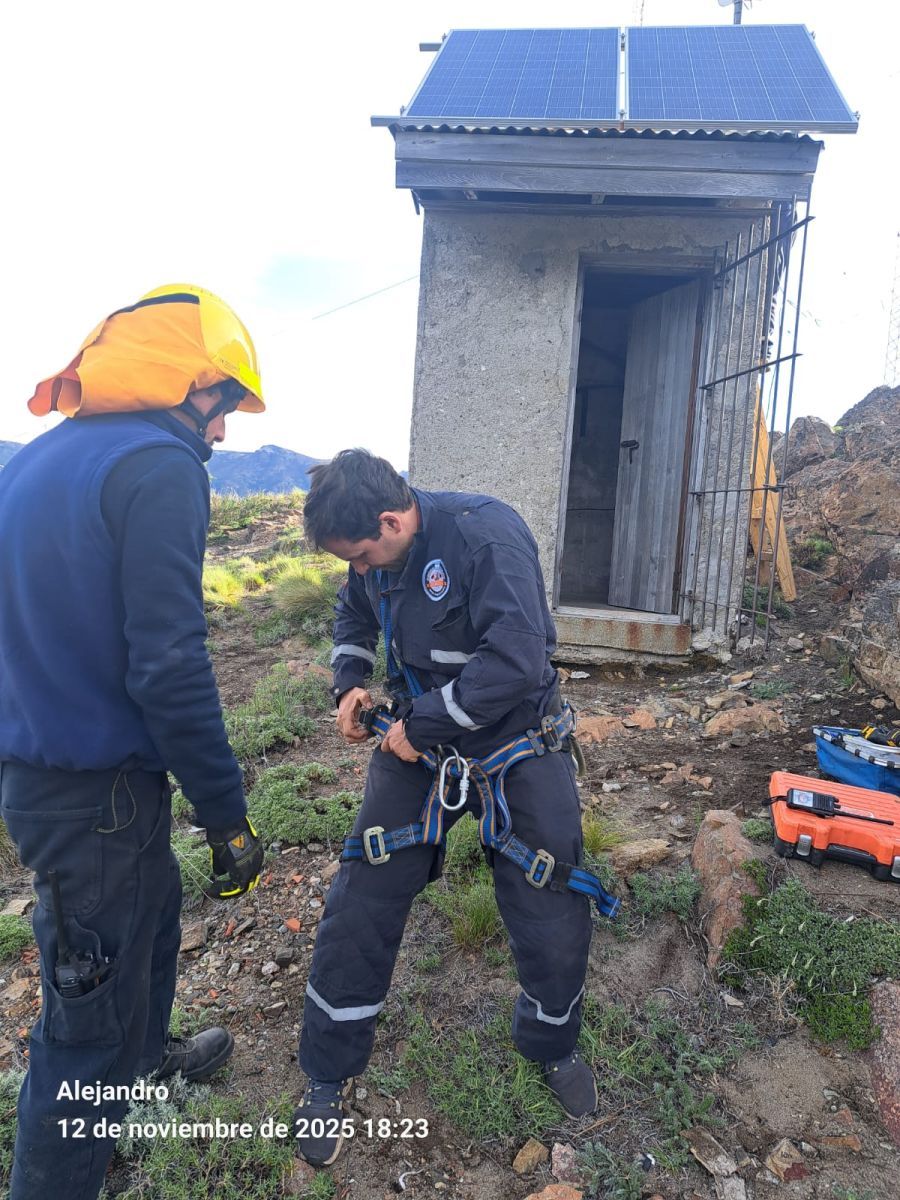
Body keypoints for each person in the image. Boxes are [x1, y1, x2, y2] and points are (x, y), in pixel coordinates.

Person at [0, 284, 266, 1200]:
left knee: (151, 916)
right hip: (93, 789)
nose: (225, 430)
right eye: (224, 400)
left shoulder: (34, 464)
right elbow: (168, 663)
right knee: (82, 1022)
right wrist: (228, 816)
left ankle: (144, 1072)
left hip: (57, 774)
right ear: (181, 381)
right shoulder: (160, 468)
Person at [294, 449, 619, 1167]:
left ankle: (551, 1043)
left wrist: (426, 725)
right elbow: (352, 614)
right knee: (364, 889)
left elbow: (517, 659)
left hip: (515, 738)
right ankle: (326, 1071)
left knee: (549, 888)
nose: (362, 569)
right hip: (421, 742)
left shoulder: (486, 537)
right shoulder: (371, 558)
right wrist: (350, 681)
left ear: (391, 518)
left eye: (363, 554)